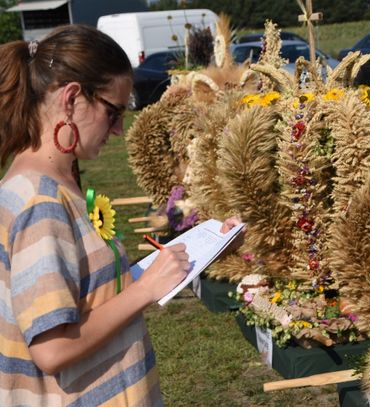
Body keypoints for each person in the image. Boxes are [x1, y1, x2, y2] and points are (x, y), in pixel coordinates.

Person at [0, 24, 239, 406]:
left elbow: (87, 298)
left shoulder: (54, 183)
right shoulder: (39, 203)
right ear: (72, 98)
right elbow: (53, 348)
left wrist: (199, 251)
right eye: (113, 112)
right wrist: (145, 290)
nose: (119, 130)